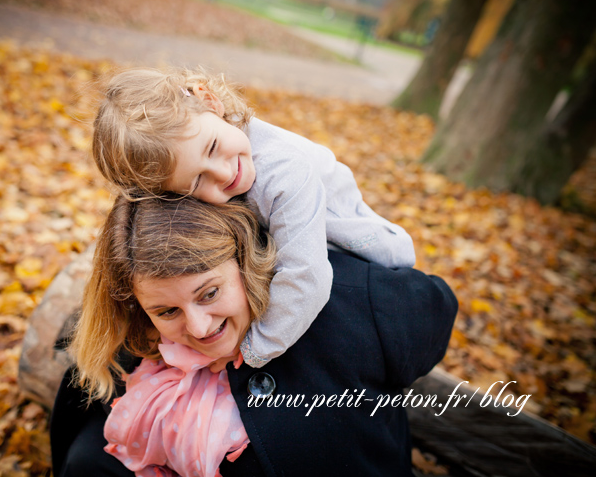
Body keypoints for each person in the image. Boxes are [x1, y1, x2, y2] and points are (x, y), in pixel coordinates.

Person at [50, 194, 458, 476]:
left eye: (209, 293)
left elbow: (435, 309)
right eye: (167, 311)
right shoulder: (135, 340)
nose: (199, 327)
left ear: (245, 256)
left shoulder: (351, 304)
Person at [91, 66, 416, 369]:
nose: (223, 172)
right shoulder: (209, 146)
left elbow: (309, 278)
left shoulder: (286, 173)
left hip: (365, 256)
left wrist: (253, 350)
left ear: (209, 100)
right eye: (196, 181)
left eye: (213, 147)